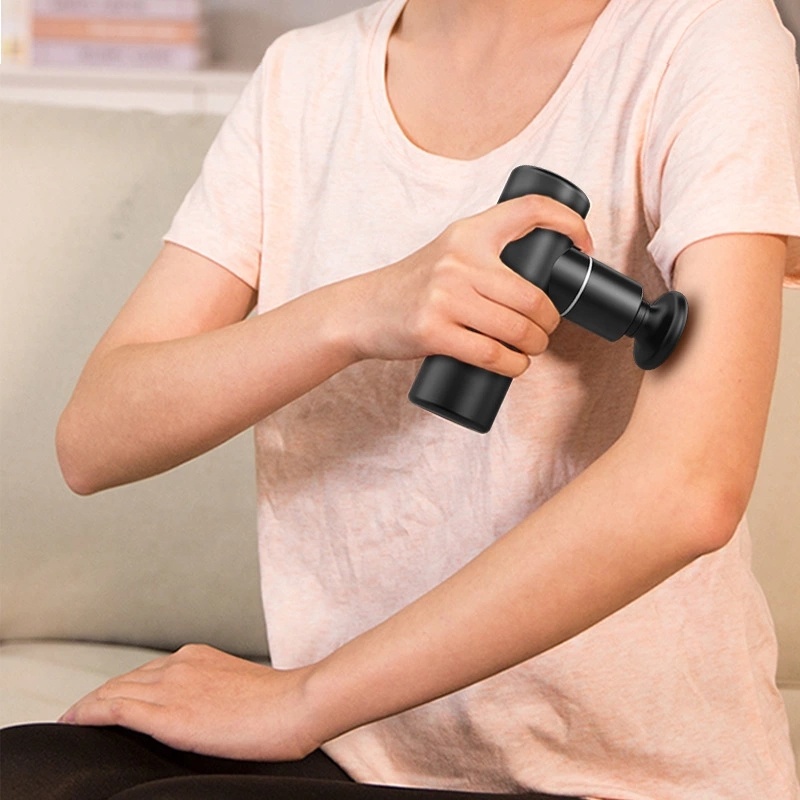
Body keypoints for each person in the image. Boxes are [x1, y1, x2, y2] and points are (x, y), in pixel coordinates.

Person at [2, 0, 800, 797]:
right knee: (27, 771)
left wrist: (300, 700)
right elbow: (94, 440)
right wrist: (362, 311)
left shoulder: (703, 39)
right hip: (360, 751)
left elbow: (689, 488)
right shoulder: (303, 77)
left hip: (614, 775)